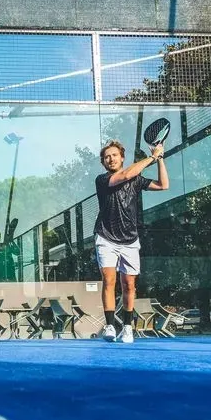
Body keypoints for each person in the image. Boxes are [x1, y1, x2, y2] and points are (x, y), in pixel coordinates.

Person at [93, 138, 168, 343]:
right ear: (103, 162)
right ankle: (110, 325)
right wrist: (152, 157)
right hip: (106, 237)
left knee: (129, 285)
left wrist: (160, 159)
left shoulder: (136, 180)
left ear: (122, 158)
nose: (111, 159)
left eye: (114, 155)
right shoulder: (102, 180)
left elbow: (163, 185)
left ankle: (127, 327)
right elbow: (126, 175)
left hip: (130, 240)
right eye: (107, 157)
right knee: (109, 280)